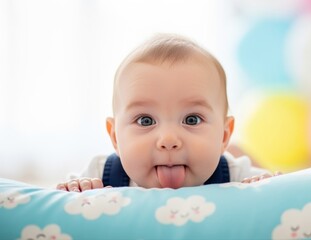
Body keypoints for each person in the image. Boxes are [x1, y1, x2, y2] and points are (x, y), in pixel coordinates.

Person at [56, 33, 280, 192]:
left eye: (192, 119)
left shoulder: (236, 173)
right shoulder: (101, 173)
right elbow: (60, 203)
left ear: (223, 136)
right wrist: (75, 190)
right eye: (145, 120)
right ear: (115, 136)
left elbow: (280, 191)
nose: (169, 140)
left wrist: (265, 185)